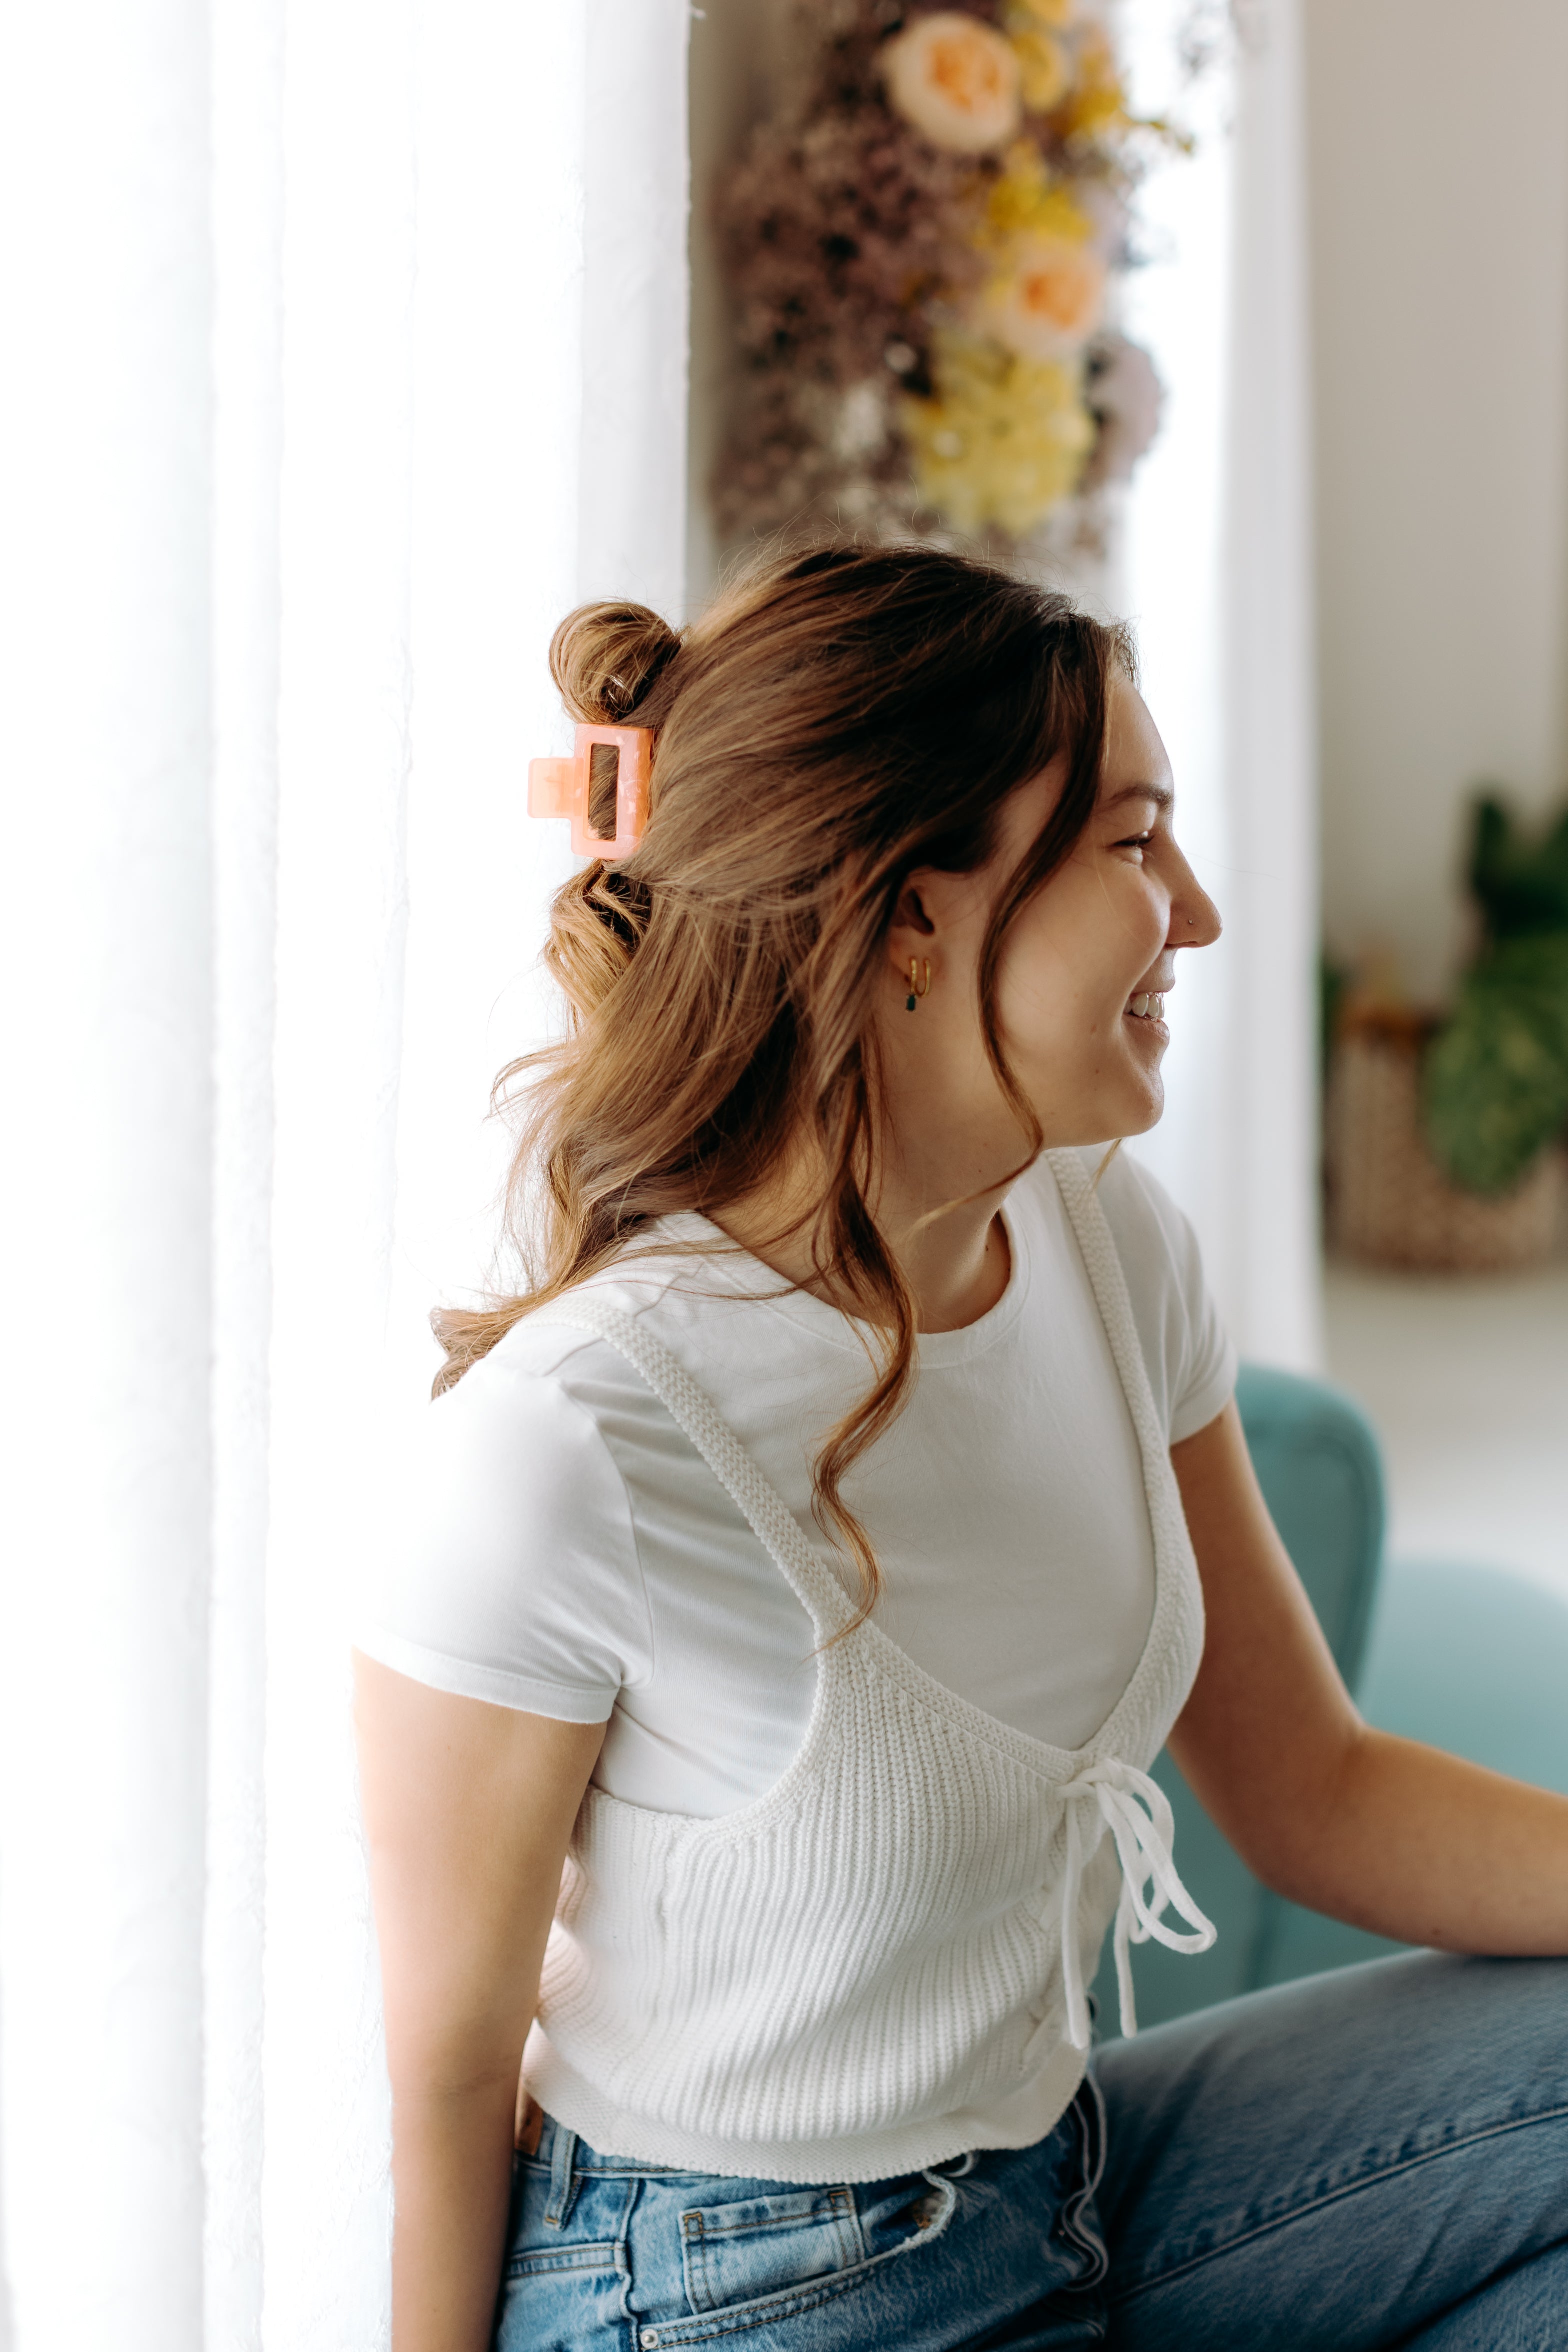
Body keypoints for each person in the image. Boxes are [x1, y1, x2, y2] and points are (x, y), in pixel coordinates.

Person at [354, 544, 1568, 2352]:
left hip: (1063, 2183)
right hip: (735, 2291)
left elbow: (1308, 1785)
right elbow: (451, 2079)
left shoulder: (1101, 1239)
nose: (1205, 914)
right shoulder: (582, 1438)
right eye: (1132, 844)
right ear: (906, 913)